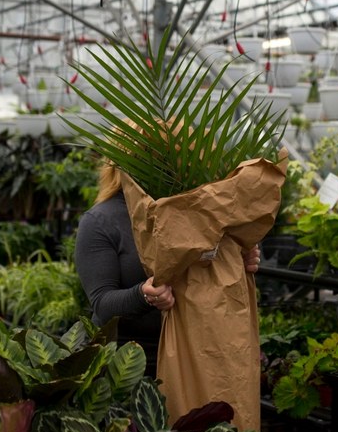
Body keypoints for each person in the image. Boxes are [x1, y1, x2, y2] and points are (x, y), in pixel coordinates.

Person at [75, 160, 262, 377]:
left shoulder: (198, 210)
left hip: (198, 359)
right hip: (125, 369)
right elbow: (102, 304)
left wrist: (239, 256)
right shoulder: (102, 220)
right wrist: (143, 296)